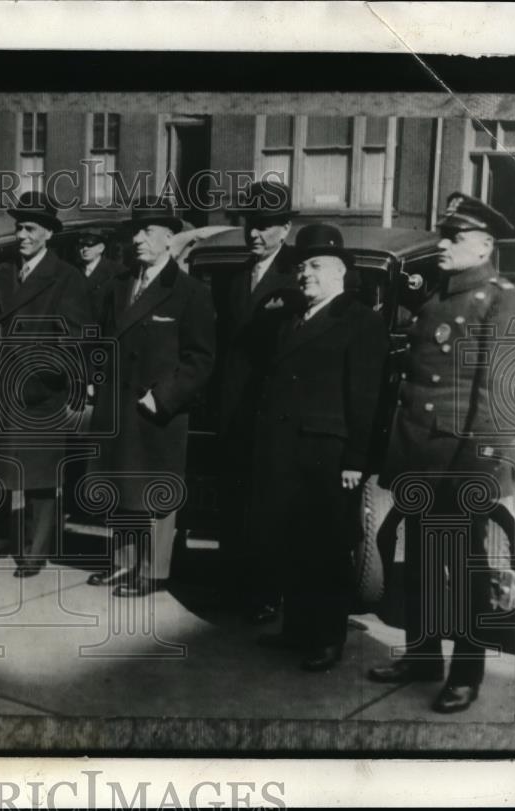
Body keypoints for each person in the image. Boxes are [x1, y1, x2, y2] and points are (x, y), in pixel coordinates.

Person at [368, 193, 515, 713]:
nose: (443, 244)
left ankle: (467, 673)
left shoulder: (503, 300)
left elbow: (496, 396)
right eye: (444, 234)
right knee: (423, 562)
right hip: (420, 454)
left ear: (483, 245)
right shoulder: (435, 298)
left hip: (460, 460)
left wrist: (480, 470)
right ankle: (423, 654)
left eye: (455, 236)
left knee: (465, 568)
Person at [252, 224, 389, 670]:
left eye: (313, 266)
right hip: (284, 450)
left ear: (339, 271)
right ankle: (298, 630)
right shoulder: (294, 316)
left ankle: (328, 638)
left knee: (327, 548)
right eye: (300, 267)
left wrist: (356, 460)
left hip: (327, 455)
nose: (302, 274)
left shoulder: (359, 320)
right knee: (290, 541)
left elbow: (366, 396)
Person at [88, 198, 215, 597]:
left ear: (169, 239)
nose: (137, 239)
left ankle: (154, 570)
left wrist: (163, 397)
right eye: (135, 231)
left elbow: (201, 359)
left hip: (158, 408)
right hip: (117, 403)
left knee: (156, 492)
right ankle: (122, 562)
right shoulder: (119, 285)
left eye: (146, 232)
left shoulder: (190, 291)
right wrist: (95, 379)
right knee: (121, 483)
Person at [0, 192, 93, 577]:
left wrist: (36, 378)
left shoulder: (66, 278)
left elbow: (73, 341)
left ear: (48, 234)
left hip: (40, 392)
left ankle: (35, 553)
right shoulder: (4, 273)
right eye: (19, 228)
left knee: (39, 477)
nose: (22, 235)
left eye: (30, 229)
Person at [215, 179, 300, 624]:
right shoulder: (234, 279)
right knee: (234, 500)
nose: (255, 234)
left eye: (266, 226)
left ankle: (268, 591)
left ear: (285, 228)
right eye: (251, 224)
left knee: (269, 506)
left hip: (273, 413)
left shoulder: (298, 275)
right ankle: (235, 586)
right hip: (233, 412)